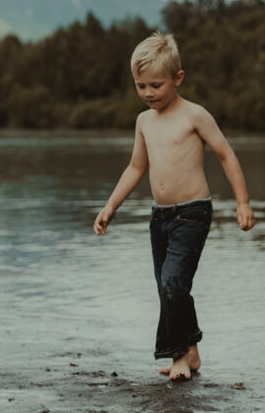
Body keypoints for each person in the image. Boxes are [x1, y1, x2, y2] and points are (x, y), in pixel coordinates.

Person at [94, 31, 255, 381]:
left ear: (178, 78)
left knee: (173, 284)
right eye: (141, 86)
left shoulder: (195, 116)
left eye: (156, 84)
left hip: (193, 213)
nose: (148, 93)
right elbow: (136, 167)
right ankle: (190, 351)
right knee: (168, 288)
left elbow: (226, 154)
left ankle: (180, 357)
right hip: (159, 217)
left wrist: (242, 203)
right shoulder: (143, 122)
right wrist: (110, 207)